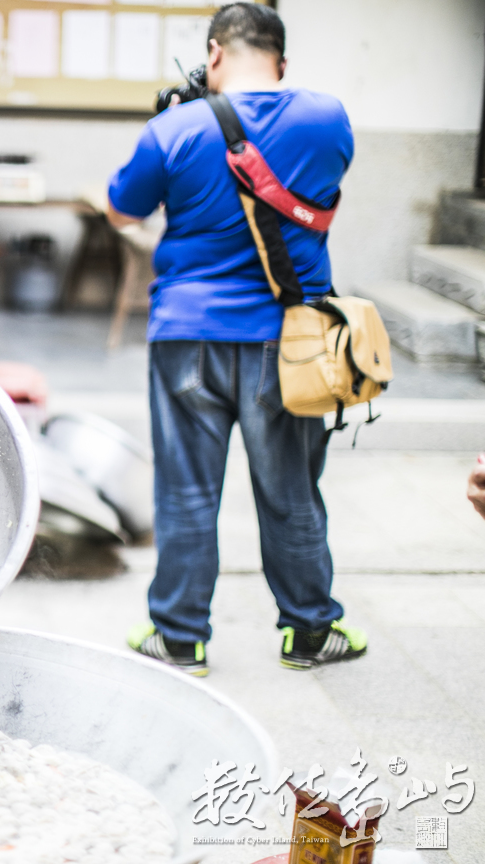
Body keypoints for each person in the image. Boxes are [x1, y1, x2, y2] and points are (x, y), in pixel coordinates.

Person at [106, 3, 364, 676]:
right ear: (279, 61)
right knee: (292, 490)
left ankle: (181, 640)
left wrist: (173, 118)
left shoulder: (175, 127)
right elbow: (323, 186)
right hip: (294, 337)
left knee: (188, 491)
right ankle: (310, 633)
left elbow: (121, 209)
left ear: (214, 53)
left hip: (188, 334)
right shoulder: (328, 116)